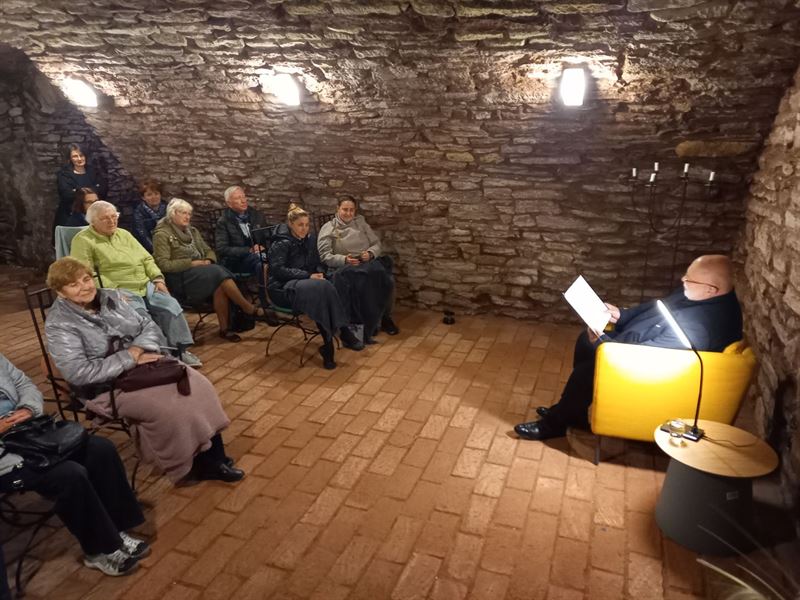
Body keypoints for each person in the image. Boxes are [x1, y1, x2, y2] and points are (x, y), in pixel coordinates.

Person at [44, 257, 245, 484]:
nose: (85, 287)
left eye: (86, 279)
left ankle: (214, 459)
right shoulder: (59, 324)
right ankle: (184, 465)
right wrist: (130, 358)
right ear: (60, 292)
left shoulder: (111, 297)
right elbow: (78, 373)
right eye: (73, 285)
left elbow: (148, 326)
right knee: (170, 408)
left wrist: (137, 350)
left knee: (198, 385)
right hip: (106, 387)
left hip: (146, 366)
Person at [514, 255, 744, 441]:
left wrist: (603, 342)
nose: (683, 281)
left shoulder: (700, 327)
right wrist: (622, 315)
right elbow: (659, 306)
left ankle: (555, 424)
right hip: (636, 341)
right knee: (584, 341)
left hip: (653, 367)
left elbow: (647, 357)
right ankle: (573, 412)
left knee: (588, 370)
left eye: (689, 280)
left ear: (711, 289)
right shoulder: (699, 293)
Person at [0, 353, 149, 576]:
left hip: (27, 431)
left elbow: (23, 383)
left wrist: (28, 409)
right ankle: (99, 550)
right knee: (69, 474)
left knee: (100, 450)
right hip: (5, 454)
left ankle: (117, 530)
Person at [70, 201, 202, 367]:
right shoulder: (83, 240)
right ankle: (163, 355)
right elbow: (86, 274)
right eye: (105, 218)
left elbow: (146, 258)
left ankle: (181, 350)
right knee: (141, 317)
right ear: (93, 221)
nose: (112, 221)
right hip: (119, 289)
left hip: (145, 284)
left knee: (170, 306)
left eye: (114, 216)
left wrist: (157, 278)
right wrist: (112, 292)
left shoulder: (124, 234)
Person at [153, 198, 267, 342]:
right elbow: (163, 264)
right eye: (183, 213)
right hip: (180, 278)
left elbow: (208, 250)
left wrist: (208, 260)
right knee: (218, 273)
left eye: (189, 214)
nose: (187, 217)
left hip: (202, 272)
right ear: (173, 214)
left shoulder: (192, 231)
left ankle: (225, 329)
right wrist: (191, 263)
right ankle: (249, 309)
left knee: (219, 282)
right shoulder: (162, 234)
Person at [268, 204, 365, 369]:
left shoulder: (310, 239)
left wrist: (320, 273)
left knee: (329, 285)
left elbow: (317, 262)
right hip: (283, 287)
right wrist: (308, 275)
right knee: (322, 288)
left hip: (307, 283)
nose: (304, 228)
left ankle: (329, 346)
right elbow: (277, 271)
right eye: (300, 225)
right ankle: (343, 332)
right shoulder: (281, 243)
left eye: (307, 225)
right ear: (291, 224)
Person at [318, 195, 399, 338]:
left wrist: (370, 253)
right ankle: (368, 323)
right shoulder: (329, 228)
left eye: (351, 210)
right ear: (338, 209)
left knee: (388, 281)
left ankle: (384, 318)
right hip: (344, 268)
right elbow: (325, 256)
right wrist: (344, 259)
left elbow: (376, 243)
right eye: (345, 209)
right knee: (363, 284)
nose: (348, 213)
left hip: (366, 263)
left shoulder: (360, 222)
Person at [214, 186, 267, 277]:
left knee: (273, 258)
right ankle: (266, 285)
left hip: (259, 254)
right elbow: (222, 249)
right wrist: (249, 250)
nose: (243, 201)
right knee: (261, 261)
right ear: (229, 203)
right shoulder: (224, 221)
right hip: (237, 261)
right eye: (238, 198)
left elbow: (267, 236)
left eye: (244, 197)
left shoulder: (257, 215)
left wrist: (263, 247)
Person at [54, 143, 106, 231]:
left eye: (81, 155)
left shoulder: (94, 171)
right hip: (70, 216)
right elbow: (66, 194)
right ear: (70, 158)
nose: (79, 159)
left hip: (95, 214)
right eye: (75, 156)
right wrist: (92, 190)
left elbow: (103, 190)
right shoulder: (64, 174)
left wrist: (77, 191)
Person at [132, 179, 167, 253]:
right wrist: (156, 250)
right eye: (149, 195)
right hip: (150, 248)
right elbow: (143, 235)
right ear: (143, 197)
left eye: (156, 194)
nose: (154, 197)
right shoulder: (139, 213)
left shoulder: (168, 208)